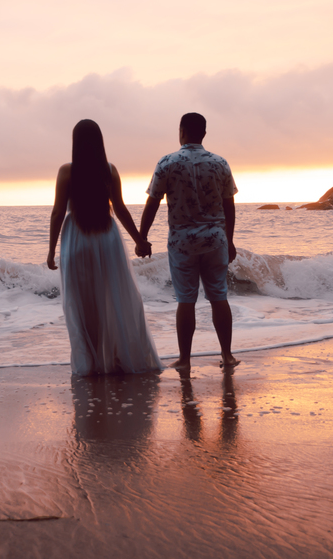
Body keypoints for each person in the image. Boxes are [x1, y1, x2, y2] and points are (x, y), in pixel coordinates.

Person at [47, 120, 162, 376]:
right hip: (107, 238)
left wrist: (51, 249)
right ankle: (116, 357)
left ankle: (90, 362)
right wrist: (138, 240)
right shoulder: (109, 170)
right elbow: (119, 209)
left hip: (76, 238)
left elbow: (57, 213)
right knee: (113, 297)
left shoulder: (67, 171)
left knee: (81, 302)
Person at [139, 112, 239, 370]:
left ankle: (185, 359)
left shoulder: (167, 163)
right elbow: (229, 206)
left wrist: (142, 237)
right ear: (203, 134)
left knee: (186, 300)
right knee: (219, 296)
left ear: (181, 130)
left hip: (182, 240)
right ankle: (227, 355)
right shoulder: (220, 163)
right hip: (215, 239)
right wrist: (230, 239)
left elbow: (152, 203)